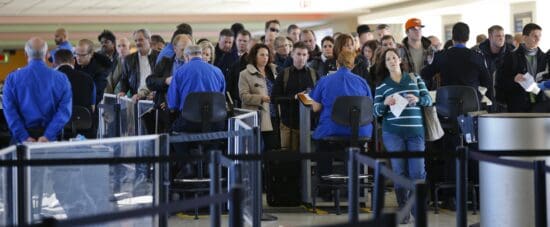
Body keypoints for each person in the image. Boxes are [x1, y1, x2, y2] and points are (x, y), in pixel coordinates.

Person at [373, 48, 431, 224]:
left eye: (394, 57)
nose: (391, 61)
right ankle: (404, 208)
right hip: (393, 133)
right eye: (387, 59)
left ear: (400, 60)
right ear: (385, 64)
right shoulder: (382, 85)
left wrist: (418, 99)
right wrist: (385, 103)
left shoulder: (414, 78)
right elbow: (376, 112)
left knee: (418, 171)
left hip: (415, 132)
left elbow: (428, 99)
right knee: (400, 171)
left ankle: (416, 207)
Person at [309, 50, 372, 199]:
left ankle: (326, 191)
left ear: (336, 63)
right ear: (353, 65)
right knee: (353, 150)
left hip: (332, 130)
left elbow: (316, 107)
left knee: (323, 150)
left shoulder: (325, 80)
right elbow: (369, 105)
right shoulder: (362, 82)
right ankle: (355, 192)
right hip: (359, 131)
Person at [3, 37, 72, 143]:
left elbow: (10, 111)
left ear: (26, 54)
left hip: (21, 140)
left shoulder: (12, 78)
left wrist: (24, 136)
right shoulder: (61, 78)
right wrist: (48, 136)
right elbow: (64, 111)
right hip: (50, 139)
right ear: (47, 55)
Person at [167, 45, 226, 132]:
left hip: (188, 122)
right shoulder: (218, 71)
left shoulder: (179, 72)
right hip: (215, 122)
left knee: (172, 135)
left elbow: (173, 104)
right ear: (201, 55)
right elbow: (221, 99)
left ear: (186, 56)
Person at [272, 42, 316, 151]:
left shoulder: (314, 74)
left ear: (308, 56)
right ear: (292, 55)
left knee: (308, 158)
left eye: (304, 55)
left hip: (309, 123)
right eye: (298, 54)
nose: (301, 58)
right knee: (288, 159)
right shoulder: (284, 74)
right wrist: (294, 97)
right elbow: (274, 98)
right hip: (288, 123)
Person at [496, 23, 547, 112]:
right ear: (524, 38)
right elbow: (500, 81)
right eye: (534, 36)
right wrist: (514, 79)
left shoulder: (544, 58)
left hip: (540, 104)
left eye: (539, 36)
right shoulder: (511, 57)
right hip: (518, 105)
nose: (538, 39)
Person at [147, 34, 192, 133]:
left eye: (189, 50)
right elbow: (150, 81)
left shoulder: (195, 66)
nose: (186, 53)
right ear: (175, 49)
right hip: (165, 114)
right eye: (183, 50)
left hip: (188, 113)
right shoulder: (165, 62)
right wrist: (166, 81)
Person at [239, 43, 279, 151]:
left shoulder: (274, 71)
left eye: (267, 55)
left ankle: (269, 168)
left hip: (275, 114)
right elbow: (243, 96)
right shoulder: (245, 74)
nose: (265, 58)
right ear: (254, 56)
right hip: (258, 116)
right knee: (257, 149)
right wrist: (260, 98)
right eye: (262, 55)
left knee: (273, 149)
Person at [118, 28, 159, 101]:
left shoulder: (159, 56)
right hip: (136, 98)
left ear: (149, 40)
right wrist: (122, 91)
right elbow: (124, 79)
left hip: (155, 98)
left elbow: (162, 77)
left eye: (140, 40)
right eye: (136, 40)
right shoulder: (129, 59)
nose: (138, 43)